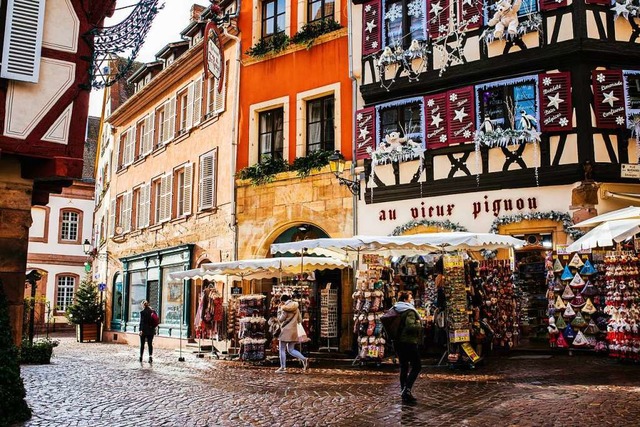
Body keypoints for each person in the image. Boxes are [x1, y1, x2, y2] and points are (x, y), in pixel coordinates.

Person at [393, 290, 422, 404]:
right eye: (410, 298)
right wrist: (419, 323)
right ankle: (407, 390)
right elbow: (410, 326)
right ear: (405, 300)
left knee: (404, 367)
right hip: (409, 342)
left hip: (398, 342)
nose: (412, 299)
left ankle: (404, 392)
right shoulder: (409, 311)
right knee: (417, 366)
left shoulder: (396, 308)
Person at [275, 294, 309, 373]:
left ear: (283, 301)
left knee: (282, 349)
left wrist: (279, 310)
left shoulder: (284, 308)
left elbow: (280, 319)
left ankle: (283, 367)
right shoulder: (296, 308)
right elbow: (300, 320)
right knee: (291, 349)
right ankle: (304, 359)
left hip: (285, 331)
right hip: (294, 330)